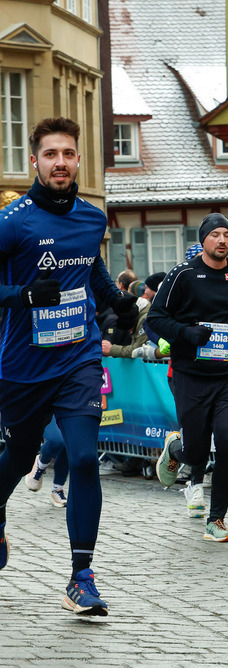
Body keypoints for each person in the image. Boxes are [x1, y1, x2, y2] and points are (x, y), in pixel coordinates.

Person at [0, 116, 138, 616]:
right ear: (34, 161)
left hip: (79, 355)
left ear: (79, 159)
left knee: (82, 458)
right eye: (50, 154)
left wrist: (116, 302)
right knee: (18, 458)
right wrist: (22, 295)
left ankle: (82, 576)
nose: (60, 162)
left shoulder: (92, 218)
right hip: (22, 365)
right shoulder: (11, 222)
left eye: (69, 154)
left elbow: (90, 271)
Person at [148, 213, 228, 542]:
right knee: (198, 451)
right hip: (191, 375)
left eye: (227, 235)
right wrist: (187, 334)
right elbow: (156, 318)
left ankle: (216, 520)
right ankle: (176, 451)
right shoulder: (183, 275)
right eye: (215, 234)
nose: (222, 240)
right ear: (203, 240)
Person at [105, 271, 164, 358]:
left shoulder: (145, 318)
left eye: (147, 288)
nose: (145, 292)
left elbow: (138, 348)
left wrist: (112, 349)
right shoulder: (140, 314)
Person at [24, 418, 70, 508]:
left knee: (68, 442)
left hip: (71, 406)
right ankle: (40, 464)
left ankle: (57, 489)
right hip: (47, 407)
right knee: (56, 441)